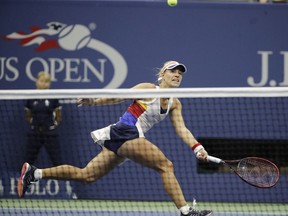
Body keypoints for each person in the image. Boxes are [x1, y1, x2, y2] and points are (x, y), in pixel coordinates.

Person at [18, 61, 212, 216]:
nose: (177, 75)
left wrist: (197, 147)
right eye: (172, 71)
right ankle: (186, 213)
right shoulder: (149, 88)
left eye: (180, 73)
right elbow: (119, 97)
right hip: (126, 130)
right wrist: (94, 101)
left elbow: (182, 129)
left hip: (125, 137)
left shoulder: (175, 104)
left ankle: (34, 173)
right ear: (163, 74)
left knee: (87, 176)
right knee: (165, 165)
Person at [24, 71, 63, 166]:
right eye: (41, 81)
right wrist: (35, 124)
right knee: (28, 161)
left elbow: (58, 116)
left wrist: (51, 126)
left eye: (46, 81)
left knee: (57, 161)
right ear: (37, 82)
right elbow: (28, 115)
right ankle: (25, 180)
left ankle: (62, 180)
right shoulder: (31, 98)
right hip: (35, 134)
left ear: (49, 84)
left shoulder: (53, 98)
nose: (44, 84)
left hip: (50, 134)